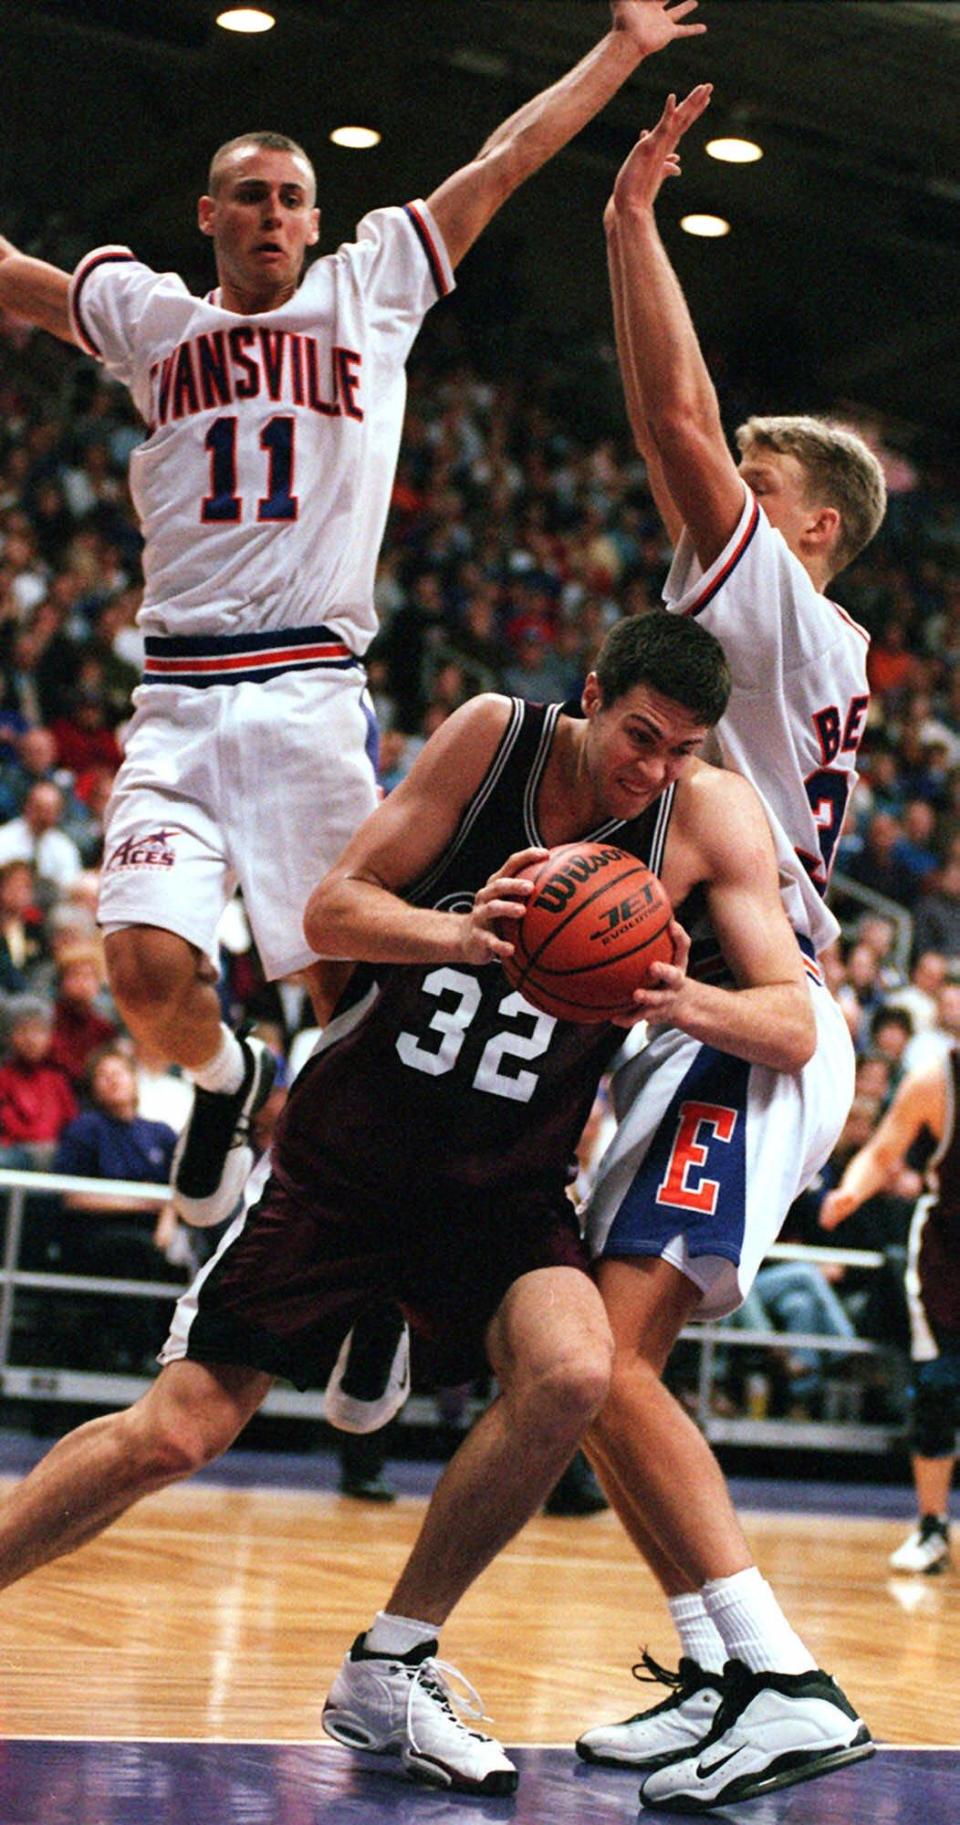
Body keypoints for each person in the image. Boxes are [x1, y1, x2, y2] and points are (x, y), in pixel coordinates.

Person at [0, 612, 819, 1797]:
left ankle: (393, 1661)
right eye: (639, 735)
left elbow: (792, 1023)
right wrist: (467, 932)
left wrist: (679, 995)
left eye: (680, 749)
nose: (652, 768)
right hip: (352, 1161)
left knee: (578, 1371)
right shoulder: (495, 739)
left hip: (507, 1187)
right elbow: (332, 908)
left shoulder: (703, 817)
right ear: (596, 692)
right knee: (176, 1432)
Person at [0, 0, 706, 1229]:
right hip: (171, 698)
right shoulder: (147, 315)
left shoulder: (369, 288)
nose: (271, 214)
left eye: (290, 197)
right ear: (207, 217)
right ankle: (226, 1084)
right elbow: (12, 278)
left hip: (305, 692)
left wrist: (623, 50)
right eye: (248, 195)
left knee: (358, 1009)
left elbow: (505, 160)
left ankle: (376, 1247)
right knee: (148, 976)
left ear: (316, 222)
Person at [569, 87, 884, 1810]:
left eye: (762, 496)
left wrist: (631, 221)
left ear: (811, 526)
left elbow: (674, 413)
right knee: (596, 1376)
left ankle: (779, 1673)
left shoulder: (772, 603)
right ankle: (715, 1668)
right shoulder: (792, 646)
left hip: (749, 1016)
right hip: (713, 1016)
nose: (722, 505)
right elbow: (678, 430)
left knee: (591, 1363)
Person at [821, 1053, 960, 1576]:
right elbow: (883, 1153)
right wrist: (850, 1193)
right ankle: (932, 1526)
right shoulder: (936, 1084)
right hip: (948, 1258)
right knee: (938, 1392)